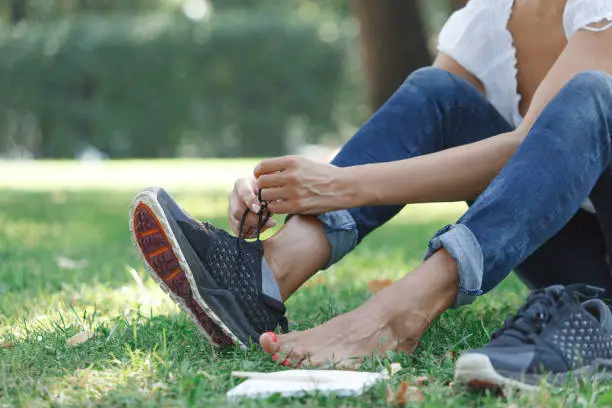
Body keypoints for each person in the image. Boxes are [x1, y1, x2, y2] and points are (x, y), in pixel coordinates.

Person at [130, 0, 612, 390]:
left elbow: (527, 147)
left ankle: (403, 313)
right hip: (577, 251)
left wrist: (337, 186)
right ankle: (268, 272)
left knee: (592, 94)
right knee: (435, 92)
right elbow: (422, 135)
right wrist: (298, 191)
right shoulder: (488, 18)